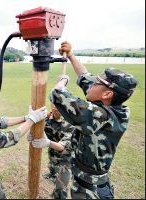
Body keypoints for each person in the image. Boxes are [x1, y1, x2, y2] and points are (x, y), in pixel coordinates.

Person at [40, 40, 137, 199]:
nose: (91, 83)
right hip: (86, 182)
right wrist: (70, 55)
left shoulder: (102, 116)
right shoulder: (114, 104)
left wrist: (62, 81)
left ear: (106, 94)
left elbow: (58, 96)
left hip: (91, 191)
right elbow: (85, 76)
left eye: (97, 82)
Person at [28, 102, 75, 199]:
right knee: (52, 165)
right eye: (53, 103)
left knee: (61, 187)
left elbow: (64, 146)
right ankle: (52, 174)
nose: (55, 107)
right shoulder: (47, 118)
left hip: (66, 157)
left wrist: (48, 143)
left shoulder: (70, 122)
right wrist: (31, 134)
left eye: (58, 104)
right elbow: (38, 130)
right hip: (52, 152)